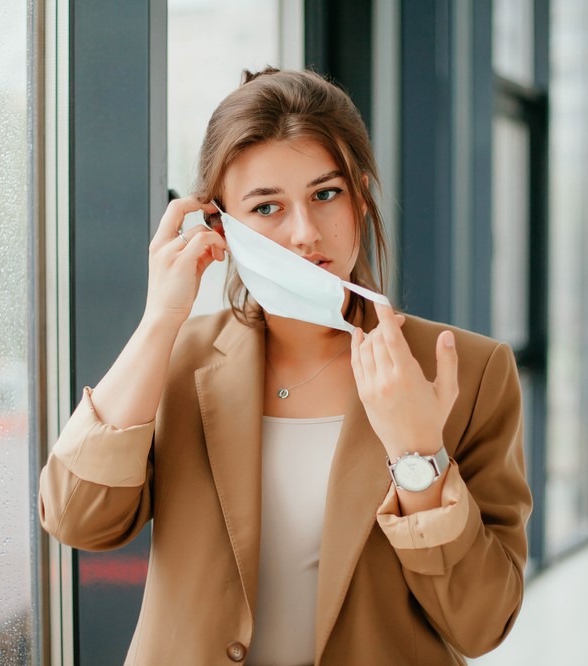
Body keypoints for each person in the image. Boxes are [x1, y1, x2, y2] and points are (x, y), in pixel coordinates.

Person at [39, 67, 532, 666]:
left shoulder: (468, 371)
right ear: (219, 226)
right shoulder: (177, 360)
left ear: (362, 196)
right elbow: (78, 520)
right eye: (267, 207)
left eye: (327, 194)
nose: (304, 233)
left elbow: (482, 623)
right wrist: (160, 319)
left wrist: (417, 456)